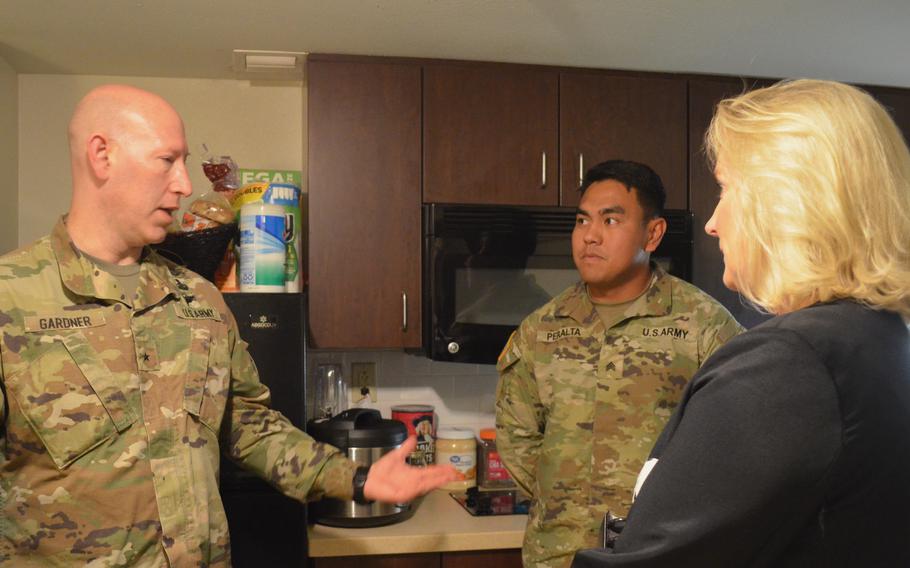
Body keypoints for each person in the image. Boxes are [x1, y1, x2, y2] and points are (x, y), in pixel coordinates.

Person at [0, 84, 455, 566]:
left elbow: (248, 425)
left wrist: (356, 479)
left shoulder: (198, 299)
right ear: (101, 155)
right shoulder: (13, 296)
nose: (182, 184)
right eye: (166, 160)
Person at [572, 79, 910, 567]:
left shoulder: (789, 366)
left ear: (787, 202)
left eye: (727, 189)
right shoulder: (878, 337)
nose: (712, 221)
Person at [496, 160, 743, 568]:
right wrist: (568, 500)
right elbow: (517, 440)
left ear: (653, 233)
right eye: (582, 221)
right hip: (559, 554)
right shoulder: (540, 329)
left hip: (664, 553)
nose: (589, 236)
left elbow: (734, 440)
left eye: (610, 220)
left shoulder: (704, 325)